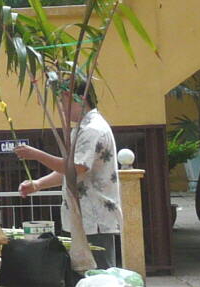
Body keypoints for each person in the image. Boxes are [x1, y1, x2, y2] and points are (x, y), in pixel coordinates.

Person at [15, 76, 121, 268]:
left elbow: (76, 168)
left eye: (64, 102)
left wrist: (37, 155)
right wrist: (39, 184)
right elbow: (71, 171)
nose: (62, 108)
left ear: (78, 98)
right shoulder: (82, 129)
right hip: (85, 216)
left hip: (95, 216)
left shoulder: (92, 130)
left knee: (100, 275)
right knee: (86, 272)